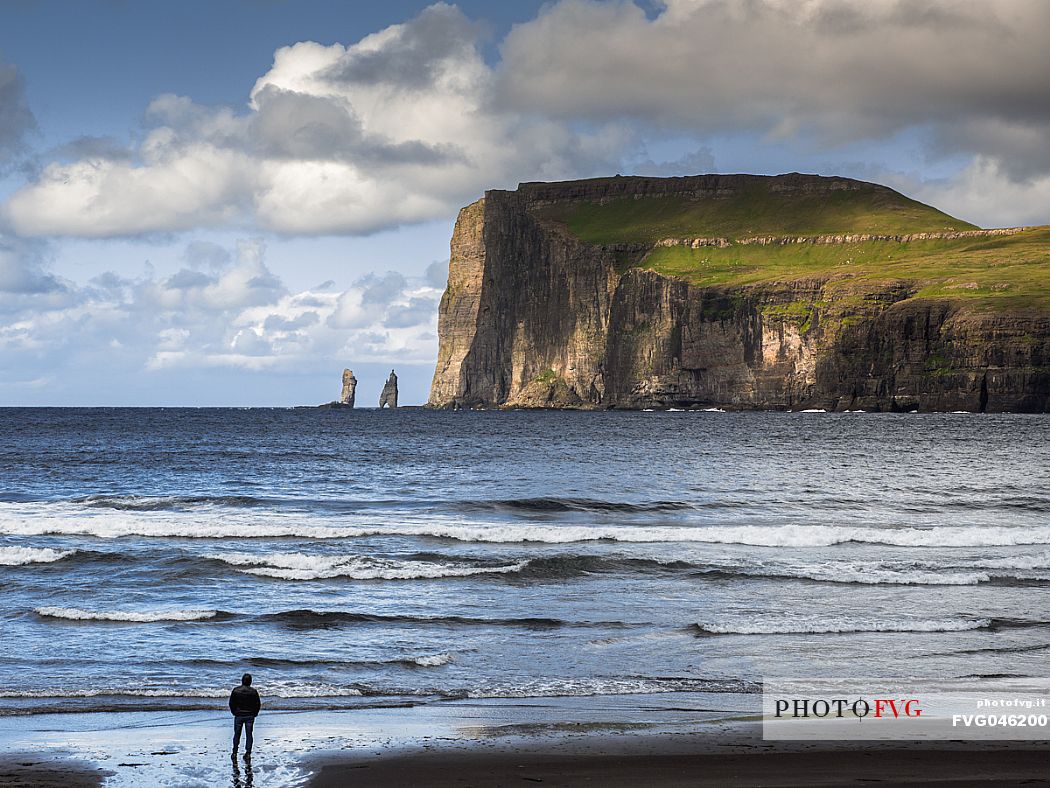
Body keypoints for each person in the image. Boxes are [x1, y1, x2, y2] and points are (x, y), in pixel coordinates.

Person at [229, 673, 261, 759]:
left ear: (242, 681)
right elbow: (258, 704)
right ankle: (248, 753)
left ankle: (234, 752)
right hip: (250, 715)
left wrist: (234, 712)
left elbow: (231, 703)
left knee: (237, 734)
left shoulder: (236, 690)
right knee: (249, 734)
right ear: (250, 681)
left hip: (239, 715)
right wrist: (255, 713)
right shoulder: (253, 691)